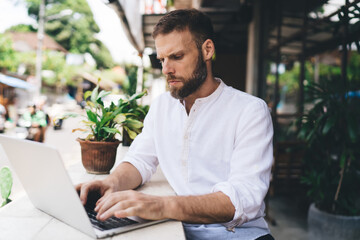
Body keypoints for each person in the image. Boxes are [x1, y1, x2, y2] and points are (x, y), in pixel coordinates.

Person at [77, 9, 274, 240]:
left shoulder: (250, 110)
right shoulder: (162, 106)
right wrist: (111, 182)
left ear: (207, 50)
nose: (166, 69)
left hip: (238, 235)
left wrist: (160, 206)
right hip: (177, 231)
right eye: (162, 59)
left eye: (177, 57)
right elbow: (141, 160)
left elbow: (242, 198)